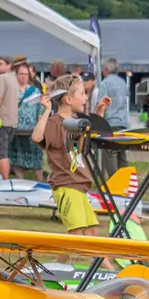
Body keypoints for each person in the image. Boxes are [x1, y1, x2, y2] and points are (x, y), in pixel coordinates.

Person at [32, 77, 97, 236]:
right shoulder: (55, 123)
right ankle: (69, 253)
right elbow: (36, 137)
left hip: (79, 183)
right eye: (82, 93)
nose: (85, 97)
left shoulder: (76, 122)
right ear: (68, 99)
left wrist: (100, 112)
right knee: (76, 233)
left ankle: (90, 253)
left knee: (91, 232)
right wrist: (47, 111)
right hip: (67, 184)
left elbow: (92, 135)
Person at [9, 60, 47, 181]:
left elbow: (41, 107)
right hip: (15, 128)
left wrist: (40, 121)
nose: (23, 76)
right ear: (16, 75)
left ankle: (40, 181)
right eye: (21, 74)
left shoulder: (35, 91)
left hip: (32, 129)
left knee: (35, 154)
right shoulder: (11, 90)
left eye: (25, 74)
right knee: (17, 155)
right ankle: (21, 181)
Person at [92, 58, 131, 173]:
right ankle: (125, 180)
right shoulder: (123, 82)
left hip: (109, 123)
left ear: (105, 69)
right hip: (123, 123)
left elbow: (101, 105)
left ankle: (113, 181)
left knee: (109, 155)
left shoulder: (105, 83)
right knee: (121, 154)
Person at [0, 55, 22, 179]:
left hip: (0, 121)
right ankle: (2, 180)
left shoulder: (1, 78)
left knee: (1, 154)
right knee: (3, 152)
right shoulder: (14, 78)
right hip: (11, 122)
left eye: (0, 64)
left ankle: (5, 181)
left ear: (9, 65)